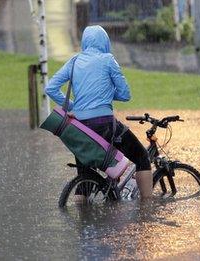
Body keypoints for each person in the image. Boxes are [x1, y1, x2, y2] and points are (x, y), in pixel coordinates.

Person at [45, 25, 152, 199]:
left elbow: (51, 88)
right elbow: (125, 95)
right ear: (105, 42)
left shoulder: (74, 61)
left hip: (80, 127)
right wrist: (106, 94)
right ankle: (148, 208)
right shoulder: (108, 59)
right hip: (105, 124)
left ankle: (82, 217)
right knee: (141, 157)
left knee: (84, 175)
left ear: (84, 42)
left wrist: (74, 107)